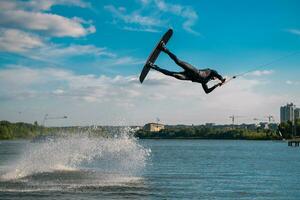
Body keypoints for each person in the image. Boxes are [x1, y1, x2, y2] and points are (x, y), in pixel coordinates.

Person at [148, 42, 226, 94]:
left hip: (188, 77)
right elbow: (217, 74)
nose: (215, 77)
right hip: (193, 70)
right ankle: (164, 48)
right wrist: (221, 79)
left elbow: (207, 91)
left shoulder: (205, 82)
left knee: (174, 75)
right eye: (216, 77)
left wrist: (217, 85)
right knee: (178, 61)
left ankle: (154, 67)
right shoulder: (211, 72)